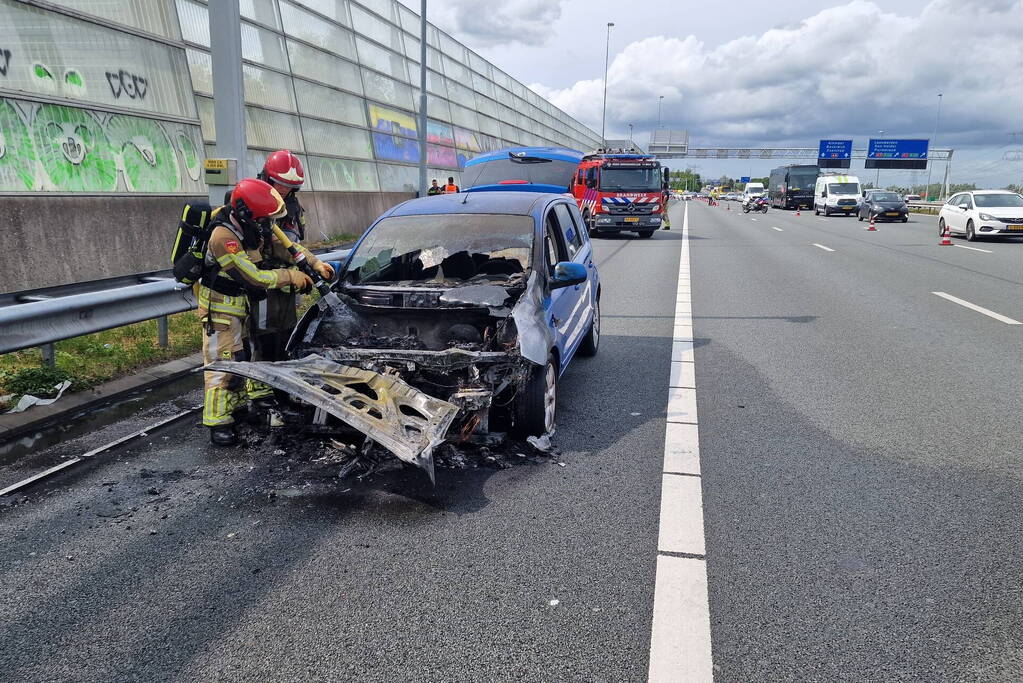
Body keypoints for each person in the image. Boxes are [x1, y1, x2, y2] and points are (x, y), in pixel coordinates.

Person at [198, 178, 314, 446]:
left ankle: (236, 410)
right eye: (264, 219)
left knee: (240, 357)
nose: (268, 225)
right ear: (247, 213)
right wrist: (290, 277)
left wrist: (315, 263)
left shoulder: (250, 226)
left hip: (240, 306)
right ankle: (217, 423)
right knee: (222, 363)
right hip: (220, 308)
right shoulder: (223, 237)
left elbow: (289, 247)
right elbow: (252, 277)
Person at [246, 151, 334, 415]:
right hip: (264, 283)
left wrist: (314, 264)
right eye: (281, 185)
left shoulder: (290, 207)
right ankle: (260, 392)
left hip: (287, 283)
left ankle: (281, 388)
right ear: (268, 180)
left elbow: (293, 244)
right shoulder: (254, 205)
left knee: (285, 335)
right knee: (264, 337)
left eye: (290, 187)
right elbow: (269, 248)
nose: (285, 191)